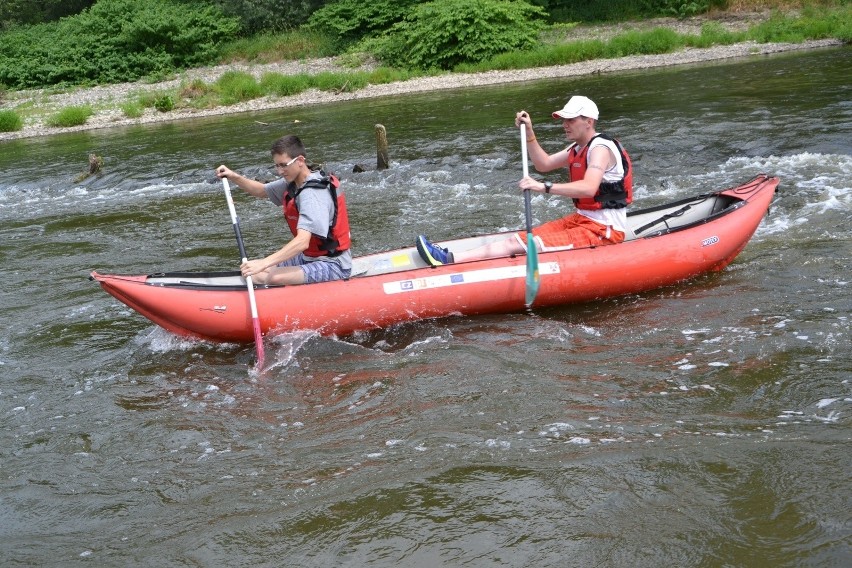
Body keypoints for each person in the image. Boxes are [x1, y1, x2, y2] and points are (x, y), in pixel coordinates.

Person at [416, 95, 633, 266]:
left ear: (589, 121)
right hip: (581, 220)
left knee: (525, 244)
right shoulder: (577, 148)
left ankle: (450, 261)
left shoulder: (601, 148)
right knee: (518, 239)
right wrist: (529, 132)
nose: (565, 124)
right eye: (564, 120)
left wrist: (543, 187)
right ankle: (450, 258)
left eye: (571, 119)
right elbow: (544, 164)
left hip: (603, 230)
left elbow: (588, 188)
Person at [216, 135, 352, 285]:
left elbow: (302, 242)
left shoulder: (312, 195)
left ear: (300, 161)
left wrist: (264, 263)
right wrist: (233, 176)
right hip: (308, 257)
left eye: (283, 165)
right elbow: (261, 191)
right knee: (253, 272)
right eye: (277, 166)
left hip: (333, 264)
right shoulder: (293, 182)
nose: (280, 171)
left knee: (273, 276)